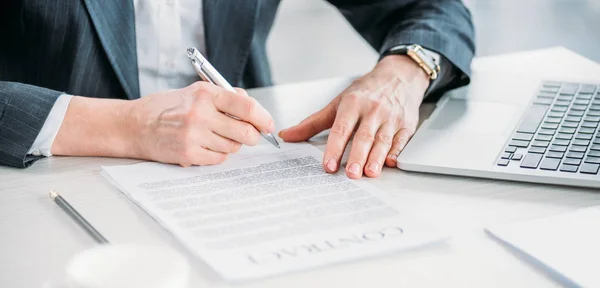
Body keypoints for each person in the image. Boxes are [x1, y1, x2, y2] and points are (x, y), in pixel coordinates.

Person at [0, 0, 474, 179]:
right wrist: (126, 126)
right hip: (49, 181)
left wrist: (402, 74)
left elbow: (432, 9)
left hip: (239, 173)